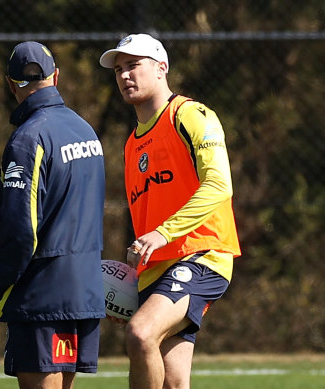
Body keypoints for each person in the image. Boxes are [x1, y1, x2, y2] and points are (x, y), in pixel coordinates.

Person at [99, 34, 241, 389]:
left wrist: (163, 232)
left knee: (140, 333)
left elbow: (219, 185)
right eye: (118, 69)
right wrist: (132, 284)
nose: (124, 75)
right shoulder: (132, 145)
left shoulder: (190, 114)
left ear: (161, 68)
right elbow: (145, 217)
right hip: (156, 269)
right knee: (173, 382)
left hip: (202, 253)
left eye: (134, 65)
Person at [0, 41, 106, 389]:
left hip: (42, 296)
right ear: (57, 76)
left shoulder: (28, 138)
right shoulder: (86, 131)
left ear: (10, 83)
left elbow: (21, 230)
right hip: (83, 290)